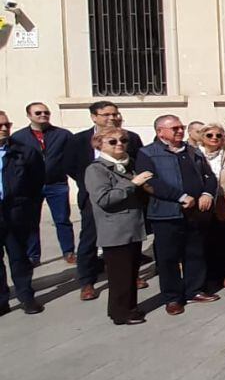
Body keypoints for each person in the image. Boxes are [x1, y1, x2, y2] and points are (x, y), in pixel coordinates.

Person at [134, 115, 219, 316]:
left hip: (195, 212)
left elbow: (209, 176)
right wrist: (180, 196)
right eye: (175, 128)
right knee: (168, 258)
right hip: (166, 214)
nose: (180, 131)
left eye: (181, 127)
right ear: (160, 131)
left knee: (195, 252)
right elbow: (149, 183)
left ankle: (194, 290)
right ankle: (172, 298)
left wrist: (207, 193)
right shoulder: (148, 153)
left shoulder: (192, 151)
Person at [64, 101, 145, 301]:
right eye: (106, 114)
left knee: (128, 240)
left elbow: (138, 163)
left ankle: (130, 277)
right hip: (96, 196)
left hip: (126, 198)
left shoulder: (131, 138)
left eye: (115, 114)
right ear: (94, 117)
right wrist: (92, 184)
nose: (112, 118)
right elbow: (70, 166)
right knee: (90, 238)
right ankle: (87, 281)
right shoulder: (79, 140)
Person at [84, 127, 153, 325]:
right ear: (100, 145)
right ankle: (120, 313)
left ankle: (129, 308)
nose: (119, 144)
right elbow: (103, 198)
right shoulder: (96, 169)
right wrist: (133, 184)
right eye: (112, 141)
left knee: (131, 272)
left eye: (123, 140)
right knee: (119, 274)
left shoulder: (129, 164)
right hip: (114, 229)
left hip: (133, 226)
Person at [12, 102, 74, 266]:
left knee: (62, 220)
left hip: (57, 183)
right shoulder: (18, 137)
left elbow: (72, 156)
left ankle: (68, 251)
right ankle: (33, 256)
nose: (43, 115)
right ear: (29, 115)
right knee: (31, 222)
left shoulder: (63, 135)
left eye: (46, 112)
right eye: (38, 113)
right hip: (31, 186)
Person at [0, 110, 45, 315]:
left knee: (19, 257)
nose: (4, 129)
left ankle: (26, 297)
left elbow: (37, 182)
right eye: (0, 126)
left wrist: (29, 208)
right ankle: (2, 301)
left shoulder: (24, 151)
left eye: (7, 125)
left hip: (16, 212)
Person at [199, 122, 225, 291]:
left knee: (224, 241)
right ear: (202, 138)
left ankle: (223, 275)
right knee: (204, 241)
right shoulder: (195, 154)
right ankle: (205, 277)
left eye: (218, 135)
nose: (214, 138)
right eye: (210, 135)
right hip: (201, 202)